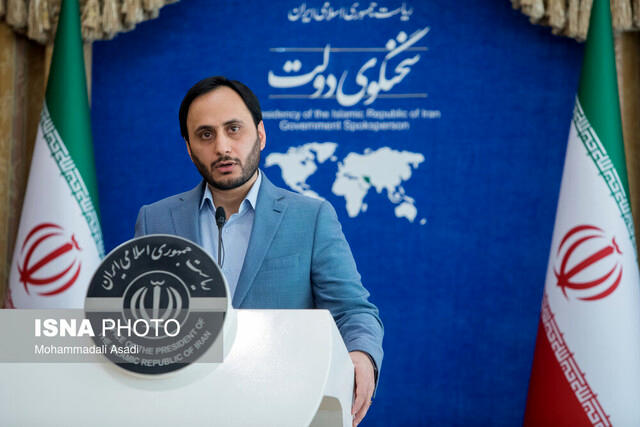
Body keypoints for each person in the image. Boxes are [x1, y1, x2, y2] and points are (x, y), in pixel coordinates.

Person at [135, 76, 383, 426]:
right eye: (205, 135)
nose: (222, 147)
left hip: (284, 406)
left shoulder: (311, 218)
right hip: (183, 410)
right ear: (189, 148)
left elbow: (352, 311)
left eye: (233, 129)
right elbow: (137, 320)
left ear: (261, 134)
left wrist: (361, 355)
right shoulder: (156, 219)